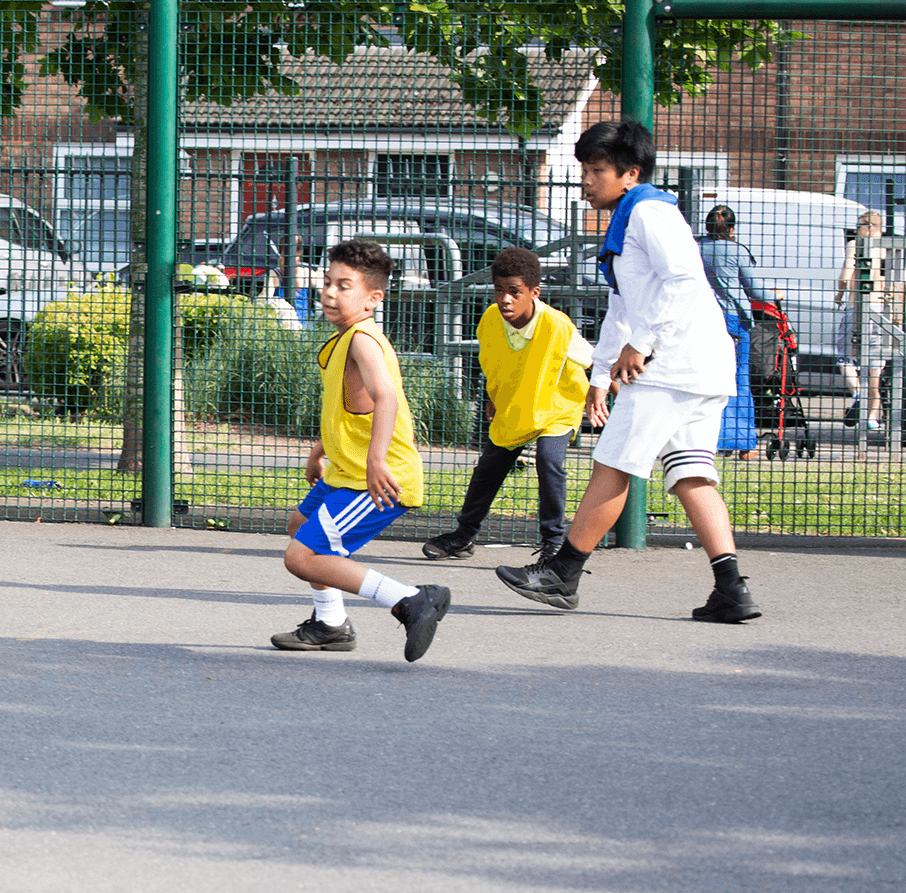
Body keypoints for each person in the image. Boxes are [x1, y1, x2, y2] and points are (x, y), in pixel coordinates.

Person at [495, 119, 761, 624]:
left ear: (630, 173)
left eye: (597, 170)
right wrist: (600, 375)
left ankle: (562, 573)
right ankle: (732, 590)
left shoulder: (649, 213)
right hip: (698, 366)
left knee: (614, 463)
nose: (587, 181)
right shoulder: (630, 215)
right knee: (691, 477)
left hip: (672, 366)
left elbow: (682, 280)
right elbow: (623, 307)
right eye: (584, 170)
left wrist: (642, 345)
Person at [268, 239, 451, 663]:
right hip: (344, 473)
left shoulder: (363, 340)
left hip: (377, 481)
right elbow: (353, 408)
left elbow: (385, 397)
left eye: (344, 285)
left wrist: (375, 463)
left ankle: (410, 599)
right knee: (301, 524)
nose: (330, 293)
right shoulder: (344, 339)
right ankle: (331, 624)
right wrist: (320, 450)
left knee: (302, 557)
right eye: (328, 283)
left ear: (373, 298)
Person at [422, 246, 590, 562]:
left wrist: (604, 393)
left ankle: (553, 543)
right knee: (488, 469)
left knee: (548, 462)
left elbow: (593, 361)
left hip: (557, 406)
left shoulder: (557, 325)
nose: (505, 299)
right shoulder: (489, 321)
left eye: (515, 292)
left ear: (533, 293)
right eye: (500, 290)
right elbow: (494, 363)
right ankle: (463, 536)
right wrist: (491, 397)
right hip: (516, 405)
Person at [697, 204, 766, 456]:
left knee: (704, 381)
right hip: (732, 322)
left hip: (701, 321)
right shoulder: (737, 251)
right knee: (738, 379)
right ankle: (742, 443)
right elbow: (756, 291)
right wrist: (777, 294)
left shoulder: (695, 249)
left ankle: (705, 440)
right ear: (732, 228)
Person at [835, 209, 903, 432]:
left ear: (864, 227)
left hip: (857, 306)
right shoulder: (888, 249)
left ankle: (857, 393)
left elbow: (846, 275)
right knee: (875, 367)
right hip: (881, 310)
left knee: (844, 357)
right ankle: (872, 418)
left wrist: (839, 294)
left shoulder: (855, 245)